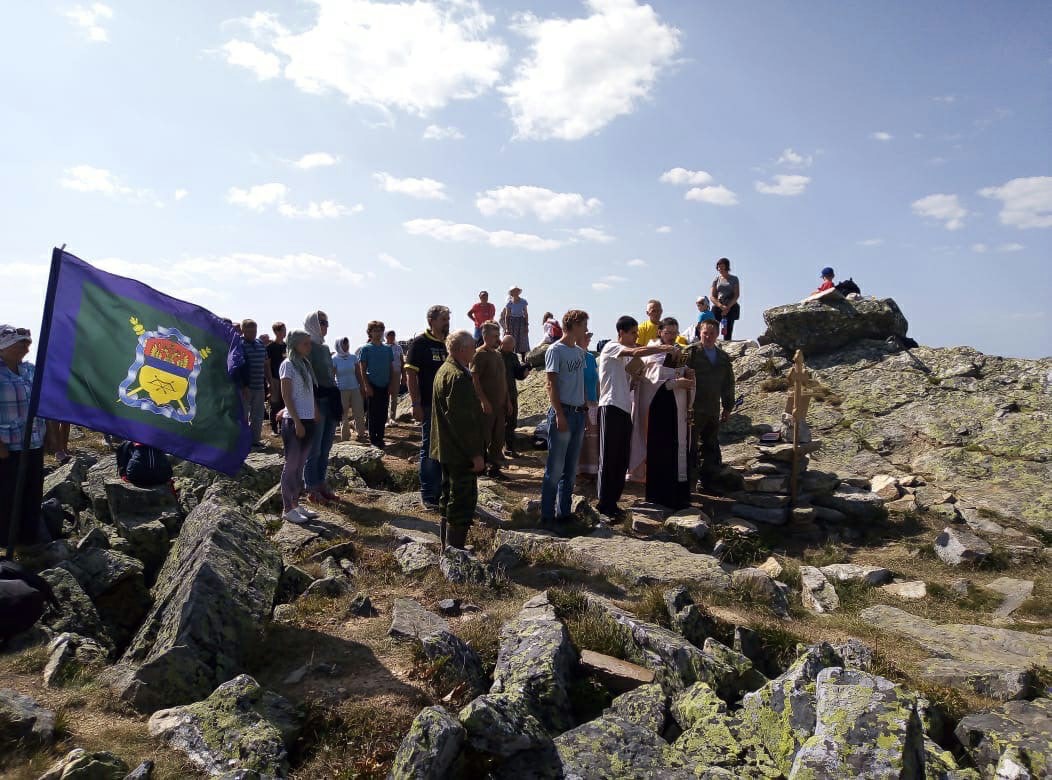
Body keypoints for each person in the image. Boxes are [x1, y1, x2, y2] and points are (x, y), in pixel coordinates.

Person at [596, 317, 675, 520]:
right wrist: (663, 348)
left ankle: (613, 502)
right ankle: (603, 504)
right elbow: (637, 352)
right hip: (610, 406)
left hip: (624, 409)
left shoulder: (626, 357)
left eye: (637, 334)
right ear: (621, 332)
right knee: (609, 457)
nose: (635, 337)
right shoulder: (612, 347)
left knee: (621, 458)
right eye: (633, 333)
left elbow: (633, 373)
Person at [630, 318, 696, 509]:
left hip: (677, 410)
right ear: (660, 332)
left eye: (675, 332)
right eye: (668, 332)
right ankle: (660, 496)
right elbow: (651, 383)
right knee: (661, 452)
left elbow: (680, 376)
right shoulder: (652, 353)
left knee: (678, 449)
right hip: (658, 411)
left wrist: (689, 375)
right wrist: (675, 383)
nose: (672, 336)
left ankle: (679, 495)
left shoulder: (679, 351)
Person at [430, 330, 485, 550]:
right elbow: (463, 421)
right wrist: (476, 454)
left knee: (448, 495)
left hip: (446, 448)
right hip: (459, 451)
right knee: (462, 498)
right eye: (472, 346)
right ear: (462, 349)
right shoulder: (458, 377)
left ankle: (447, 547)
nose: (475, 349)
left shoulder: (445, 370)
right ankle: (456, 550)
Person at [540, 309, 589, 532]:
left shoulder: (579, 352)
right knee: (556, 467)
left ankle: (565, 513)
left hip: (578, 412)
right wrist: (559, 413)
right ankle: (547, 515)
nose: (586, 329)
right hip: (564, 412)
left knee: (570, 469)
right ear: (574, 325)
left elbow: (580, 381)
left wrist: (585, 408)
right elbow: (551, 384)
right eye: (584, 325)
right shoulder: (555, 350)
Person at [0, 325, 48, 548]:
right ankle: (5, 540)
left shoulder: (30, 369)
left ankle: (29, 540)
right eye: (20, 343)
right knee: (6, 493)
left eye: (27, 343)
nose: (25, 348)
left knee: (32, 490)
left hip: (33, 441)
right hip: (6, 446)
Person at [683, 318, 735, 492]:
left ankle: (709, 483)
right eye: (705, 333)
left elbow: (728, 384)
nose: (708, 336)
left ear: (717, 334)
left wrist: (727, 407)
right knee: (690, 447)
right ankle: (688, 485)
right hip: (693, 409)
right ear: (700, 333)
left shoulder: (723, 357)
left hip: (713, 409)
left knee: (711, 446)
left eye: (712, 333)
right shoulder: (691, 353)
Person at [406, 305, 450, 509]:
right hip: (428, 403)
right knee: (429, 447)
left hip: (449, 406)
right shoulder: (420, 343)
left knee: (446, 447)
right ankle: (428, 495)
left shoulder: (449, 344)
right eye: (443, 319)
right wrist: (415, 404)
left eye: (448, 318)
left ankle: (443, 490)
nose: (446, 322)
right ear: (431, 320)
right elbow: (411, 375)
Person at [278, 329, 320, 524]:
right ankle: (287, 508)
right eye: (305, 343)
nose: (309, 346)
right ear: (295, 344)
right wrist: (296, 420)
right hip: (294, 421)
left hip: (308, 418)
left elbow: (308, 392)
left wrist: (314, 410)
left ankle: (295, 503)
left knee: (300, 465)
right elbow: (286, 395)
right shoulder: (288, 364)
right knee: (292, 464)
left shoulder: (304, 364)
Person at [303, 311, 339, 504]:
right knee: (314, 448)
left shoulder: (325, 348)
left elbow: (328, 374)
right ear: (314, 324)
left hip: (330, 399)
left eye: (326, 322)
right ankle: (311, 487)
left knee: (326, 447)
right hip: (316, 400)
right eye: (322, 322)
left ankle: (321, 483)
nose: (326, 326)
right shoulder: (308, 346)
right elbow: (307, 377)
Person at [470, 321, 509, 479]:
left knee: (498, 437)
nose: (497, 339)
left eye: (498, 335)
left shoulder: (498, 354)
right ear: (485, 336)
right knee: (484, 437)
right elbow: (474, 378)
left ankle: (494, 468)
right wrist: (483, 400)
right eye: (494, 336)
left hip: (500, 405)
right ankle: (480, 469)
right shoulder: (479, 354)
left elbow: (503, 379)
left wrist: (508, 401)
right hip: (487, 405)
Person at [357, 321, 395, 449]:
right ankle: (373, 440)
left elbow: (391, 368)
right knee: (373, 413)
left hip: (385, 385)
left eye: (380, 330)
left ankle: (381, 438)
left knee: (383, 413)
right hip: (372, 384)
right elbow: (362, 369)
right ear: (370, 333)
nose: (378, 333)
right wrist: (366, 386)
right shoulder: (365, 349)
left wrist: (391, 384)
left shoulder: (388, 349)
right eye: (375, 331)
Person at [240, 319, 269, 447]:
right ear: (243, 331)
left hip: (259, 385)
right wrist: (243, 386)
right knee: (244, 416)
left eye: (254, 331)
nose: (253, 333)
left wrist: (270, 381)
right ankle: (242, 442)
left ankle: (255, 440)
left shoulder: (260, 344)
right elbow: (239, 367)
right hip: (244, 387)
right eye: (250, 331)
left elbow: (266, 364)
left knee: (258, 416)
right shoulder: (239, 344)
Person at [333, 337, 367, 443]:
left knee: (359, 411)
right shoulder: (334, 359)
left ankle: (361, 433)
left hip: (355, 388)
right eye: (344, 344)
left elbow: (358, 373)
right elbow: (332, 375)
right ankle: (345, 436)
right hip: (341, 389)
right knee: (343, 414)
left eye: (347, 344)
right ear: (339, 345)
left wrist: (362, 386)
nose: (346, 346)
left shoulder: (353, 357)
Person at [500, 334, 529, 458]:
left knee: (511, 422)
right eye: (508, 346)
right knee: (498, 423)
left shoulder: (513, 357)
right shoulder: (496, 355)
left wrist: (524, 372)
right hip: (498, 394)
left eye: (512, 347)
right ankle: (496, 451)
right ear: (503, 344)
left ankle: (510, 448)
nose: (510, 348)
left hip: (511, 393)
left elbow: (517, 374)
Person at [577, 331, 600, 477]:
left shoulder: (591, 357)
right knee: (581, 435)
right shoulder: (575, 356)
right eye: (586, 338)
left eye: (589, 338)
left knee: (592, 436)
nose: (588, 340)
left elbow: (596, 380)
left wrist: (598, 399)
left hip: (592, 400)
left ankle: (592, 469)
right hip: (579, 400)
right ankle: (579, 469)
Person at [710, 258, 741, 341]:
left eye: (722, 267)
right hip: (719, 304)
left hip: (731, 304)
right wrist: (720, 306)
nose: (720, 269)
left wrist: (728, 307)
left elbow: (736, 295)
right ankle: (712, 342)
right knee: (713, 325)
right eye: (719, 267)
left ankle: (727, 344)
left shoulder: (734, 279)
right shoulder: (716, 280)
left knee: (728, 328)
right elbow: (712, 296)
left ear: (727, 267)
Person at [265, 322, 288, 435]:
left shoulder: (286, 346)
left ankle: (283, 427)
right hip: (274, 377)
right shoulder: (270, 347)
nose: (285, 332)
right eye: (283, 330)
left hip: (285, 378)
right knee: (275, 403)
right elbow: (267, 365)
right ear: (277, 332)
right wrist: (269, 380)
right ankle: (274, 428)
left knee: (285, 402)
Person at [499, 286, 529, 361]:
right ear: (511, 293)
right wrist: (507, 328)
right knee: (512, 339)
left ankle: (523, 358)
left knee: (522, 339)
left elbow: (526, 313)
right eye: (514, 291)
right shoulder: (509, 303)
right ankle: (510, 357)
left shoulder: (523, 301)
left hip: (521, 321)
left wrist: (526, 325)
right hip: (512, 322)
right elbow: (507, 316)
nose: (515, 292)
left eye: (517, 291)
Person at [386, 330, 405, 424]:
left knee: (394, 396)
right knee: (386, 395)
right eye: (390, 335)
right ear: (386, 336)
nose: (392, 337)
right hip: (385, 373)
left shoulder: (398, 347)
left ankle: (392, 418)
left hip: (397, 373)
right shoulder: (384, 347)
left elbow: (402, 361)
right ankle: (385, 418)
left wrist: (404, 375)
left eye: (393, 335)